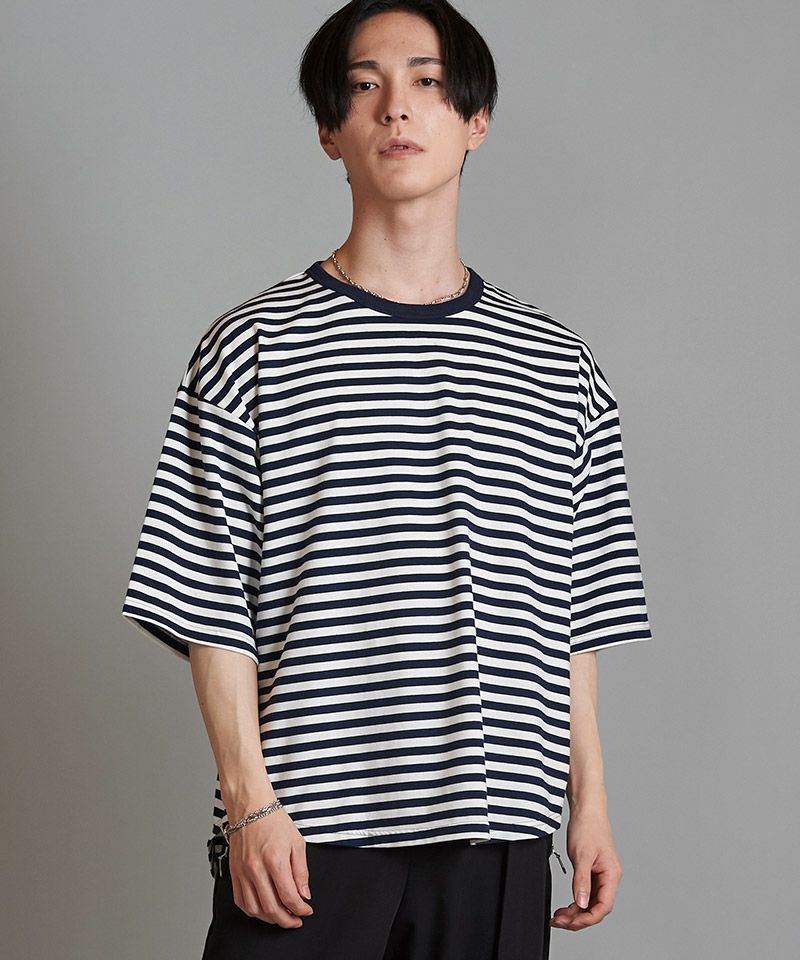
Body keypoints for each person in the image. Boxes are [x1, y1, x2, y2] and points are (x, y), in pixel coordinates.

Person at [121, 1, 653, 957]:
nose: (396, 107)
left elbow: (576, 612)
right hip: (307, 831)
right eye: (364, 86)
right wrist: (248, 804)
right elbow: (205, 598)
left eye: (428, 82)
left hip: (498, 827)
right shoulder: (251, 347)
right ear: (331, 132)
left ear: (476, 120)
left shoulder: (558, 364)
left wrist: (592, 806)